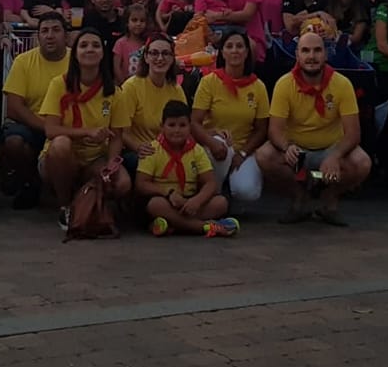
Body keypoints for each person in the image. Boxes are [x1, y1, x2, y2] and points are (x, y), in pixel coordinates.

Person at [257, 31, 372, 225]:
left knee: (362, 163)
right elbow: (274, 130)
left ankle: (329, 198)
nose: (311, 56)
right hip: (297, 151)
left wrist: (335, 156)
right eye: (305, 51)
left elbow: (353, 133)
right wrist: (287, 147)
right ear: (297, 55)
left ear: (326, 54)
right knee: (264, 156)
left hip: (331, 148)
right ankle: (299, 196)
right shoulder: (284, 84)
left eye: (317, 50)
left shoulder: (342, 84)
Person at [38, 28, 133, 227]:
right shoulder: (59, 84)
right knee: (61, 144)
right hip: (60, 157)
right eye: (83, 45)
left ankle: (86, 201)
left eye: (96, 45)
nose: (90, 49)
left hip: (95, 159)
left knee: (123, 183)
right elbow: (51, 130)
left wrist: (111, 164)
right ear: (75, 54)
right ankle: (64, 206)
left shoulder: (114, 91)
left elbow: (117, 136)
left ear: (103, 54)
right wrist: (87, 132)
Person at [136, 101, 239, 237]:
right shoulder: (152, 149)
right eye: (171, 125)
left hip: (190, 200)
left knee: (220, 203)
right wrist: (169, 194)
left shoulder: (197, 150)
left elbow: (210, 183)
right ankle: (204, 227)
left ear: (190, 127)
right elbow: (141, 184)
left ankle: (174, 224)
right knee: (155, 205)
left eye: (182, 125)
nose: (177, 130)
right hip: (166, 198)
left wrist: (197, 201)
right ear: (162, 126)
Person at [190, 31, 268, 204]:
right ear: (222, 53)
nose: (235, 51)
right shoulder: (209, 82)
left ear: (247, 53)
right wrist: (211, 142)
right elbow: (194, 122)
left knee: (247, 192)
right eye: (229, 46)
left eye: (239, 46)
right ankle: (214, 195)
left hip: (244, 150)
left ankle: (229, 188)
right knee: (221, 147)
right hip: (214, 145)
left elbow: (261, 129)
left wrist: (242, 153)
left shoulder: (258, 87)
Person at [1, 12, 69, 210]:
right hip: (32, 124)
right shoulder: (23, 61)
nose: (50, 36)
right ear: (38, 36)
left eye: (56, 30)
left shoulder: (77, 60)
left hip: (67, 126)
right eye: (44, 31)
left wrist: (58, 129)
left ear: (66, 35)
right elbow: (14, 108)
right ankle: (29, 183)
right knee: (14, 142)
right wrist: (47, 127)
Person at [119, 34, 185, 168]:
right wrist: (138, 147)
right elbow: (121, 132)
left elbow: (184, 126)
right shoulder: (131, 87)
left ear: (172, 58)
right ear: (146, 57)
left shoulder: (176, 89)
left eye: (165, 53)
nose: (160, 58)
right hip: (138, 152)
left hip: (168, 150)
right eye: (154, 53)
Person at [112, 4, 149, 84]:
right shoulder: (120, 43)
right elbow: (116, 67)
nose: (138, 24)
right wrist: (124, 84)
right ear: (127, 22)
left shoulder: (147, 43)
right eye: (134, 20)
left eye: (142, 21)